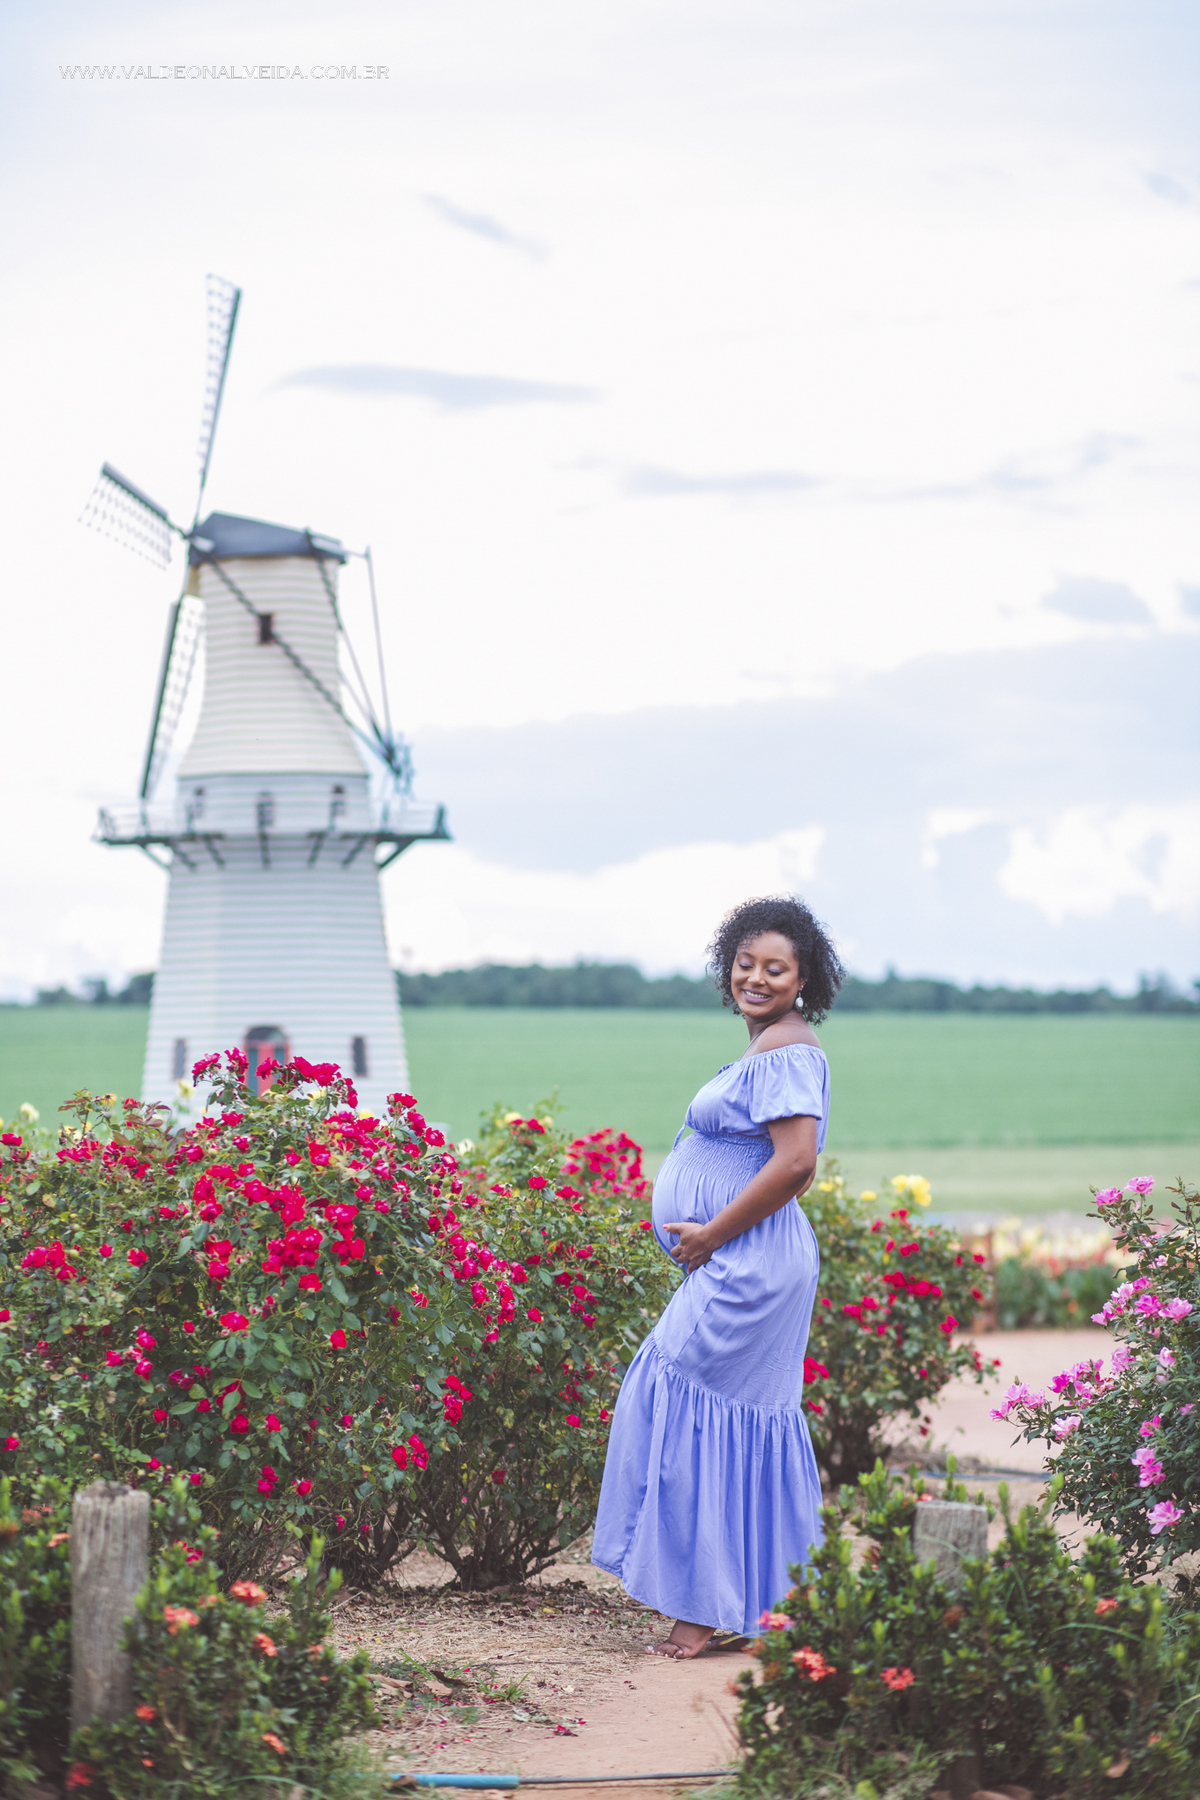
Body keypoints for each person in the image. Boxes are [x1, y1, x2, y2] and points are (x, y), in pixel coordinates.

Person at [591, 894, 844, 1658]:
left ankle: (701, 1609)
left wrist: (711, 1234)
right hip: (753, 1260)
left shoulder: (789, 1050)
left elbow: (797, 1162)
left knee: (674, 1401)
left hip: (749, 1263)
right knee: (739, 1421)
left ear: (804, 980)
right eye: (745, 963)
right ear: (726, 965)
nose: (756, 978)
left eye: (776, 968)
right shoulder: (769, 1045)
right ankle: (767, 1602)